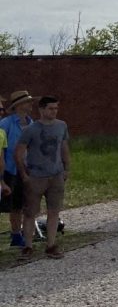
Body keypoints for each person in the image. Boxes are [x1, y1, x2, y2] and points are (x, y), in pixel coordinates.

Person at [15, 96, 70, 259]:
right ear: (42, 110)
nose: (54, 111)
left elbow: (64, 147)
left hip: (56, 174)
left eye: (56, 108)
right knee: (31, 212)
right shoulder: (30, 130)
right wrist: (24, 175)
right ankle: (28, 246)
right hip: (36, 176)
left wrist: (67, 168)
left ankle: (51, 245)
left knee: (54, 211)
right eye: (50, 108)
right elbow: (18, 153)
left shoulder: (62, 126)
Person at [0, 90, 34, 248]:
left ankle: (17, 234)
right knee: (10, 204)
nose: (31, 104)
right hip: (9, 169)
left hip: (26, 169)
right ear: (20, 105)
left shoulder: (31, 123)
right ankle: (15, 233)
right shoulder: (6, 124)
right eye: (28, 102)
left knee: (21, 204)